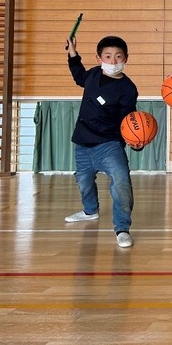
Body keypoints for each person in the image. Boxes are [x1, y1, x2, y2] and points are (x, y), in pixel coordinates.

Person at [64, 34, 141, 248]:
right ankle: (90, 211)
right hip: (82, 141)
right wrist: (72, 52)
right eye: (108, 56)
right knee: (83, 182)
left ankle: (122, 228)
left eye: (118, 56)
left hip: (109, 144)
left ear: (126, 58)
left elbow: (129, 119)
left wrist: (136, 140)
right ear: (99, 58)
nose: (113, 61)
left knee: (121, 182)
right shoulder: (93, 74)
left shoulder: (128, 88)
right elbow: (78, 75)